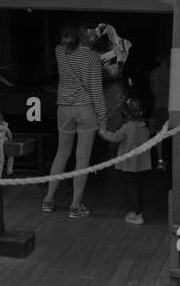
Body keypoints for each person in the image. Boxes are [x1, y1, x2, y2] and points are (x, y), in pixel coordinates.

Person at [42, 25, 105, 219]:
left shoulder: (60, 52)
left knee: (62, 153)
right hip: (85, 108)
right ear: (84, 35)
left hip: (64, 108)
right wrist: (103, 117)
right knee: (82, 158)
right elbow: (96, 90)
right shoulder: (93, 57)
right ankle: (76, 205)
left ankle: (48, 200)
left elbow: (65, 44)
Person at [99, 97, 152, 224]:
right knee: (139, 187)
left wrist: (102, 132)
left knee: (132, 188)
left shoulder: (128, 127)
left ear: (125, 114)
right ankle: (139, 211)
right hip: (142, 164)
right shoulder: (145, 127)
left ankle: (137, 214)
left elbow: (115, 137)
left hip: (130, 165)